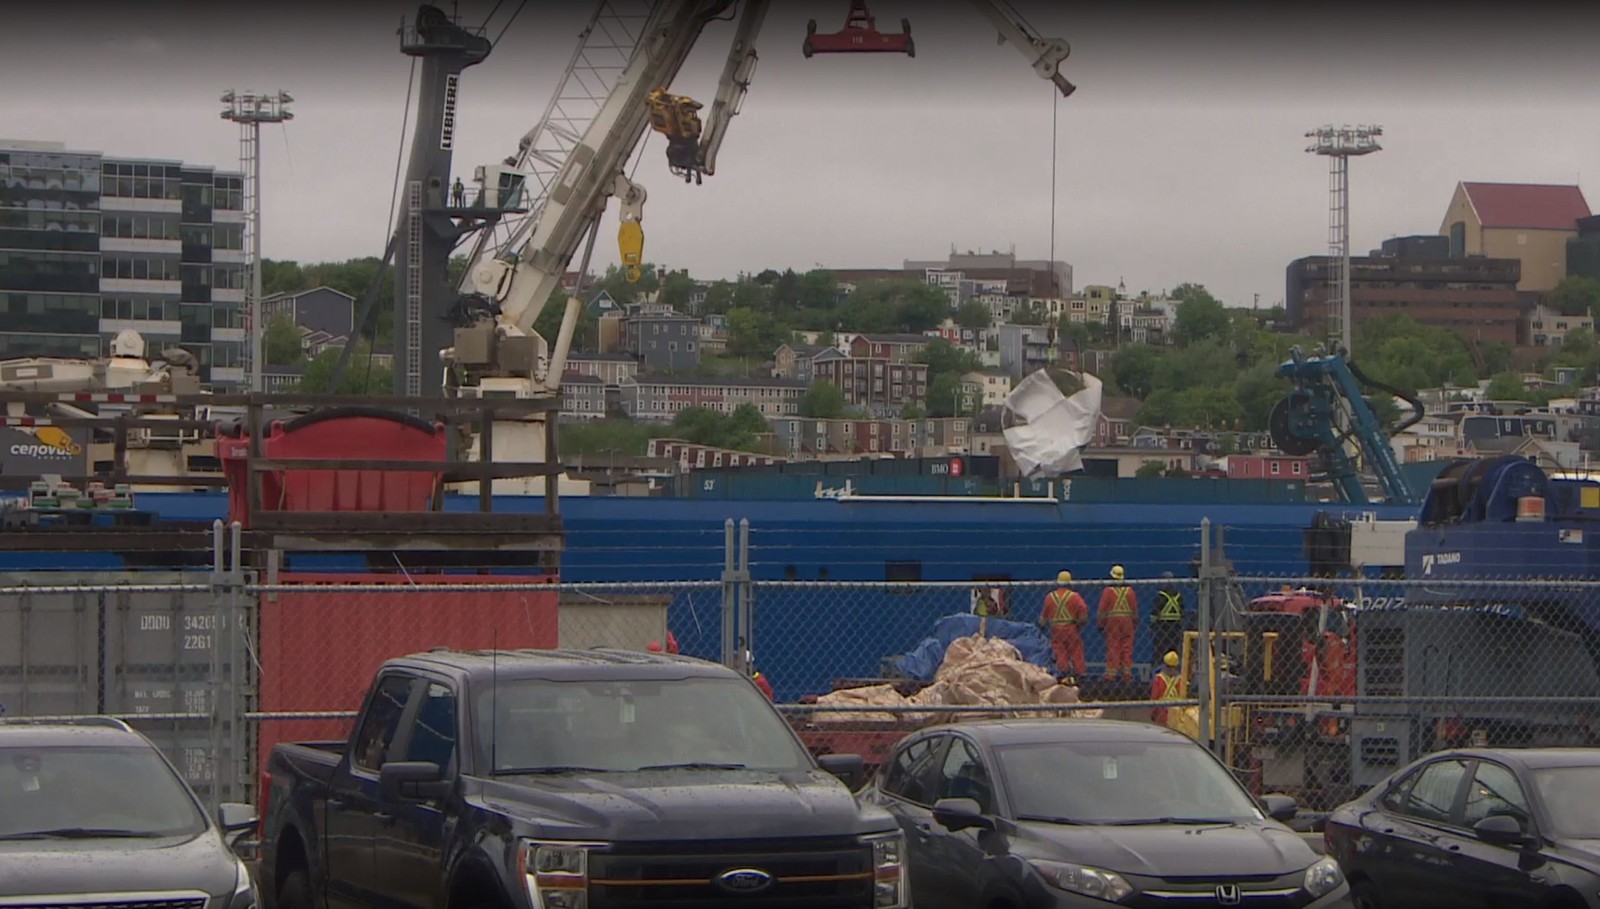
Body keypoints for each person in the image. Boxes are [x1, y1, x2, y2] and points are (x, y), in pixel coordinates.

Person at [1039, 570, 1088, 682]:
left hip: (1056, 628)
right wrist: (1080, 623)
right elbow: (1083, 610)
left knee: (1059, 650)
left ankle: (1063, 673)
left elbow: (1043, 617)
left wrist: (1041, 626)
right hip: (1071, 627)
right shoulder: (1074, 596)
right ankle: (1080, 674)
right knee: (1076, 650)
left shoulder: (1050, 597)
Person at [1097, 564, 1138, 682]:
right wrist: (1134, 623)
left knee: (1113, 645)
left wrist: (1100, 624)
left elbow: (1102, 610)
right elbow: (1134, 609)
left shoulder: (1107, 591)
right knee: (1127, 646)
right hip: (1127, 621)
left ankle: (1111, 673)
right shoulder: (1130, 591)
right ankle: (1127, 673)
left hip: (1112, 621)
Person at [1151, 572, 1186, 669]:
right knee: (1173, 648)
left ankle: (1159, 667)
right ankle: (1174, 667)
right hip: (1176, 626)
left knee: (1161, 648)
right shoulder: (1178, 596)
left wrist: (1153, 625)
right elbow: (1182, 611)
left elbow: (1155, 611)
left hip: (1163, 626)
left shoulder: (1161, 596)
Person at [1150, 651, 1184, 726]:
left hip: (1162, 710)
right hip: (1177, 710)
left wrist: (1153, 713)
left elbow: (1154, 696)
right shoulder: (1181, 679)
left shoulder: (1158, 678)